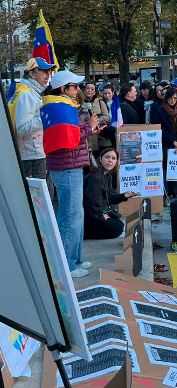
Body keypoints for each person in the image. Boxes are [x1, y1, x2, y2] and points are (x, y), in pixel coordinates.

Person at [42, 70, 99, 278]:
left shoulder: (60, 105)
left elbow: (70, 135)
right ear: (63, 89)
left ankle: (75, 260)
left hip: (68, 165)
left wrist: (88, 128)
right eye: (74, 86)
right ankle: (67, 265)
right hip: (67, 166)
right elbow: (70, 139)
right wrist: (89, 128)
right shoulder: (61, 106)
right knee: (69, 216)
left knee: (75, 214)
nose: (78, 89)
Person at [8, 56, 56, 178]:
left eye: (49, 72)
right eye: (44, 71)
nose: (48, 75)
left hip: (31, 153)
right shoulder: (27, 94)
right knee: (37, 195)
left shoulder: (26, 91)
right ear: (32, 74)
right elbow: (22, 128)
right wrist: (46, 118)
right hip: (32, 156)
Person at [83, 148, 136, 239]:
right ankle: (86, 234)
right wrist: (101, 215)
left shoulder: (107, 176)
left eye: (113, 158)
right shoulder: (94, 176)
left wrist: (123, 196)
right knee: (117, 227)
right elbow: (92, 201)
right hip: (90, 216)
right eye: (107, 157)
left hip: (98, 213)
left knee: (119, 224)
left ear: (116, 162)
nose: (110, 160)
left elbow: (108, 198)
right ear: (100, 159)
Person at [157, 85, 177, 198]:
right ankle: (166, 194)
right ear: (166, 98)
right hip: (166, 144)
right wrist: (173, 142)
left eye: (175, 98)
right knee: (166, 169)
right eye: (170, 98)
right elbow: (158, 130)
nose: (172, 100)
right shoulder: (160, 111)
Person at [82, 81, 111, 153]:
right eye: (88, 88)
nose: (89, 90)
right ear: (84, 90)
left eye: (92, 89)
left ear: (95, 92)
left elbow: (107, 117)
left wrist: (96, 120)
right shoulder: (79, 103)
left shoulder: (100, 102)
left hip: (100, 136)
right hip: (85, 135)